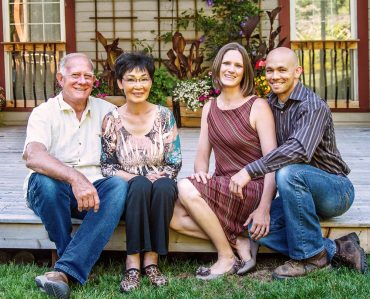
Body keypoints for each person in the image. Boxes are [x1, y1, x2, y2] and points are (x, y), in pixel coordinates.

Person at [230, 47, 368, 279]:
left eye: (282, 70)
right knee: (254, 227)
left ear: (298, 72)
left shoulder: (312, 105)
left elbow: (299, 150)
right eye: (270, 70)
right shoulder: (269, 105)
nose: (275, 76)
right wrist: (263, 207)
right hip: (295, 194)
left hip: (334, 190)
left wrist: (249, 171)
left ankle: (309, 257)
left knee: (289, 172)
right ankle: (339, 248)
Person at [23, 53, 128, 299]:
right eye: (75, 75)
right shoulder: (44, 113)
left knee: (117, 187)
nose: (82, 81)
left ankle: (62, 271)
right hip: (53, 191)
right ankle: (68, 258)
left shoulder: (108, 111)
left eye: (88, 76)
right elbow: (33, 156)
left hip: (94, 192)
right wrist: (74, 178)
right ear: (61, 78)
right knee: (46, 182)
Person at [170, 42, 277, 280]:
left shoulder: (258, 106)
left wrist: (264, 207)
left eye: (238, 65)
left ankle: (225, 256)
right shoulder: (210, 107)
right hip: (222, 184)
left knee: (184, 187)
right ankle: (237, 239)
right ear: (218, 67)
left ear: (245, 72)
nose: (231, 69)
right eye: (227, 63)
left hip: (251, 190)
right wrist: (200, 175)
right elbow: (201, 158)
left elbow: (273, 163)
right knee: (174, 217)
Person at [100, 52, 182, 292]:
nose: (138, 85)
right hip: (130, 188)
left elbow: (174, 161)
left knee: (166, 186)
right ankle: (133, 262)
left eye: (143, 79)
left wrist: (161, 175)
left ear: (151, 82)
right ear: (120, 83)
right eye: (131, 79)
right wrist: (136, 177)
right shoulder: (111, 120)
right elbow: (107, 165)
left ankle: (152, 261)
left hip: (160, 186)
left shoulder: (164, 116)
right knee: (140, 185)